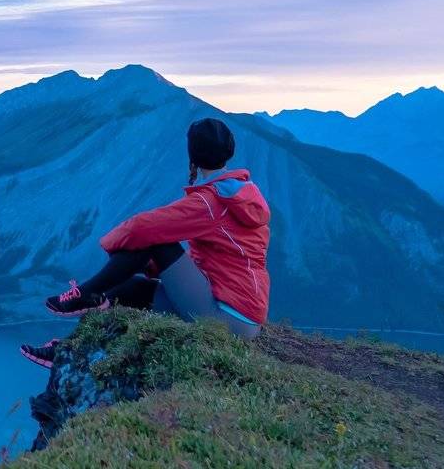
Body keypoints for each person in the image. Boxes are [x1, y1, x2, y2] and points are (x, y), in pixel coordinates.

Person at [20, 118, 270, 368]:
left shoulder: (210, 203)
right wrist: (147, 265)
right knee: (130, 289)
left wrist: (114, 247)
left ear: (192, 154)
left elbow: (144, 227)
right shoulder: (237, 192)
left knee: (155, 242)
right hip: (239, 312)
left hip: (228, 317)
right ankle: (68, 351)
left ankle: (84, 293)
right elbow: (219, 260)